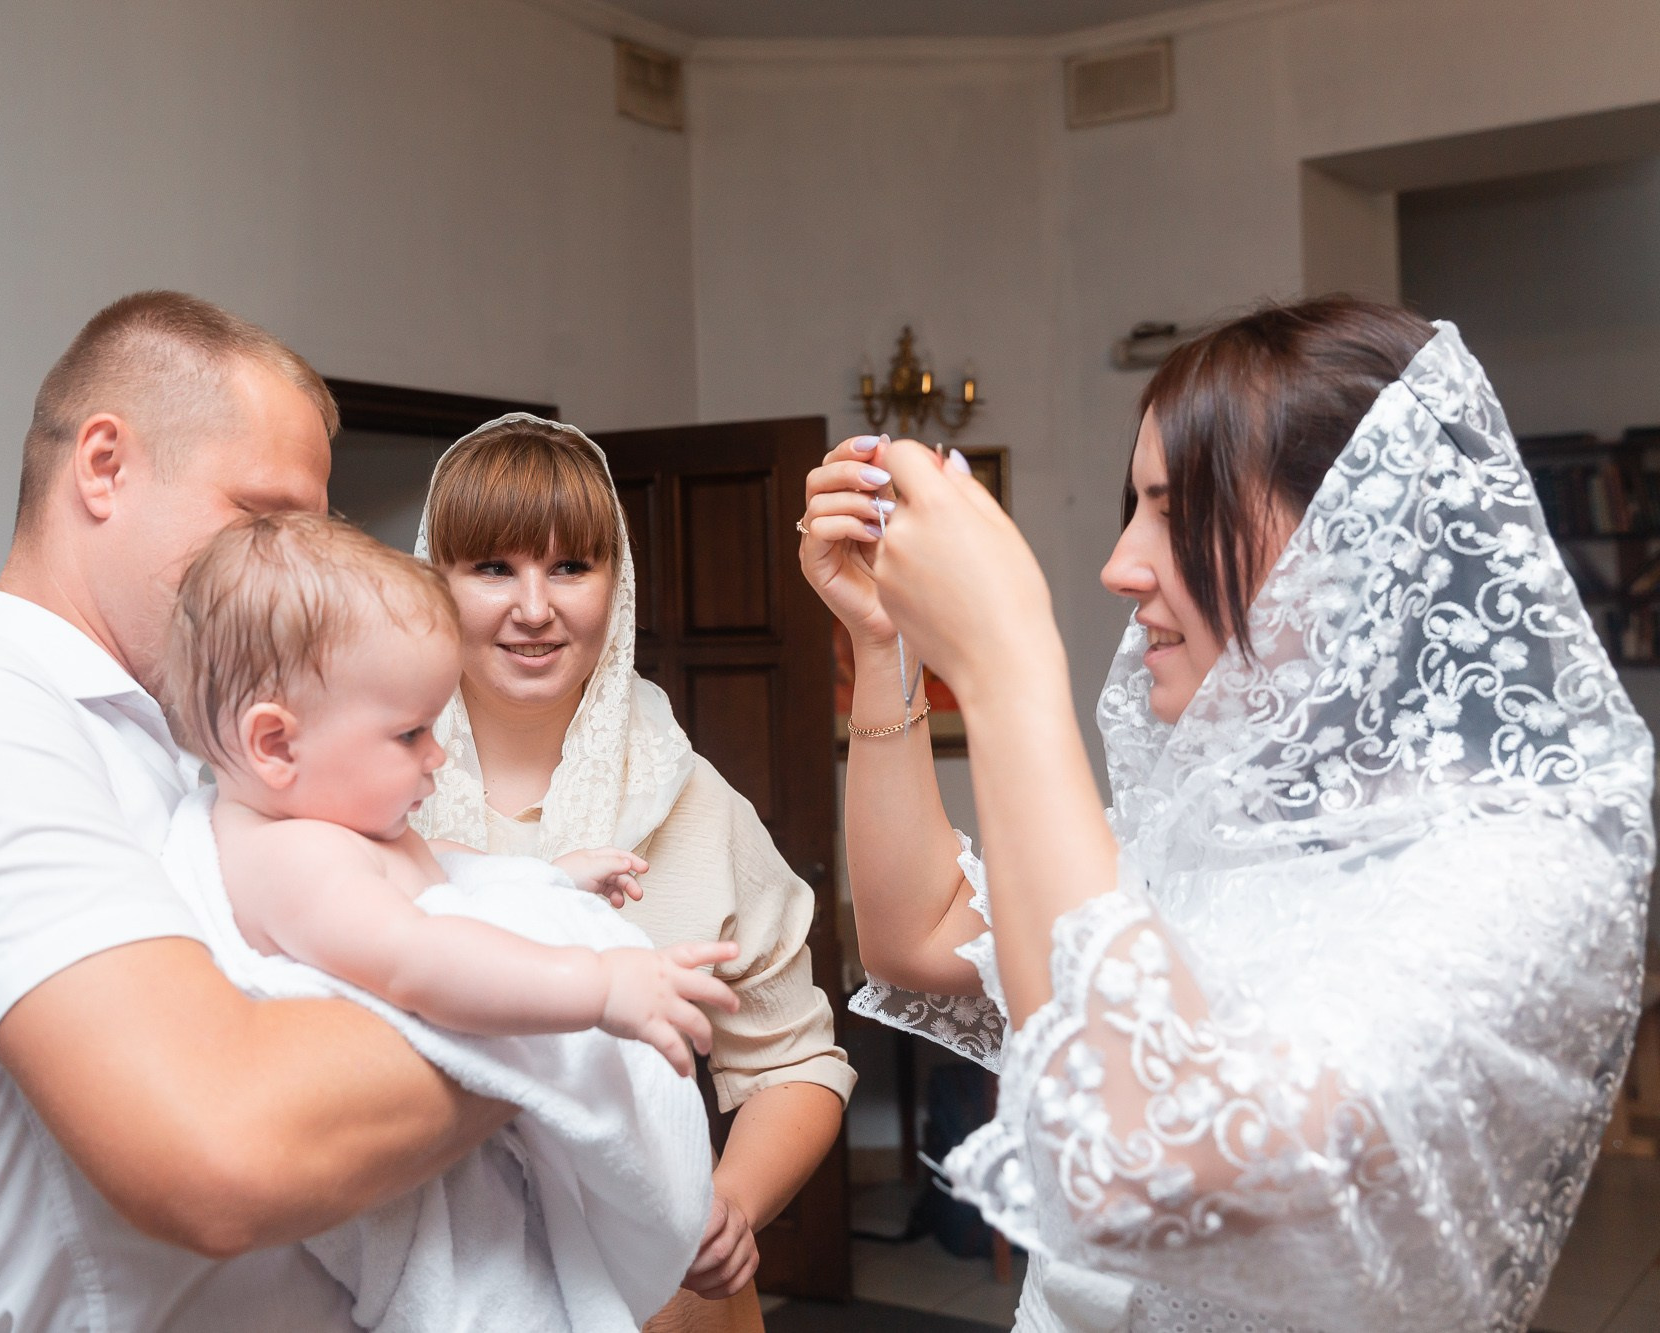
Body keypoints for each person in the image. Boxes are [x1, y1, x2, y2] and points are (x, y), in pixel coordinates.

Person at [804, 297, 1653, 1332]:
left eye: (1177, 512)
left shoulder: (1519, 868)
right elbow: (916, 937)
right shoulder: (1216, 821)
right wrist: (884, 641)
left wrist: (1007, 666)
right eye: (1135, 506)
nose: (1121, 564)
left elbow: (1150, 1162)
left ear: (1355, 542)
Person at [0, 291, 513, 1333]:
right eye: (263, 519)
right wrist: (562, 1012)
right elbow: (225, 1148)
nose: (289, 565)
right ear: (104, 467)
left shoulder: (195, 739)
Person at [160, 511, 736, 1330]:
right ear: (276, 745)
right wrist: (598, 983)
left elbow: (442, 868)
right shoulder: (290, 860)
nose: (436, 754)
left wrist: (546, 879)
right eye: (410, 733)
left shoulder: (333, 825)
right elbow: (416, 957)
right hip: (432, 1221)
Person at [413, 414, 856, 1331]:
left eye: (571, 566)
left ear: (617, 584)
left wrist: (733, 1202)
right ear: (434, 580)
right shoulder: (364, 794)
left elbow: (796, 1060)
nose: (534, 607)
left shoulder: (691, 799)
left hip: (665, 1300)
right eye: (492, 567)